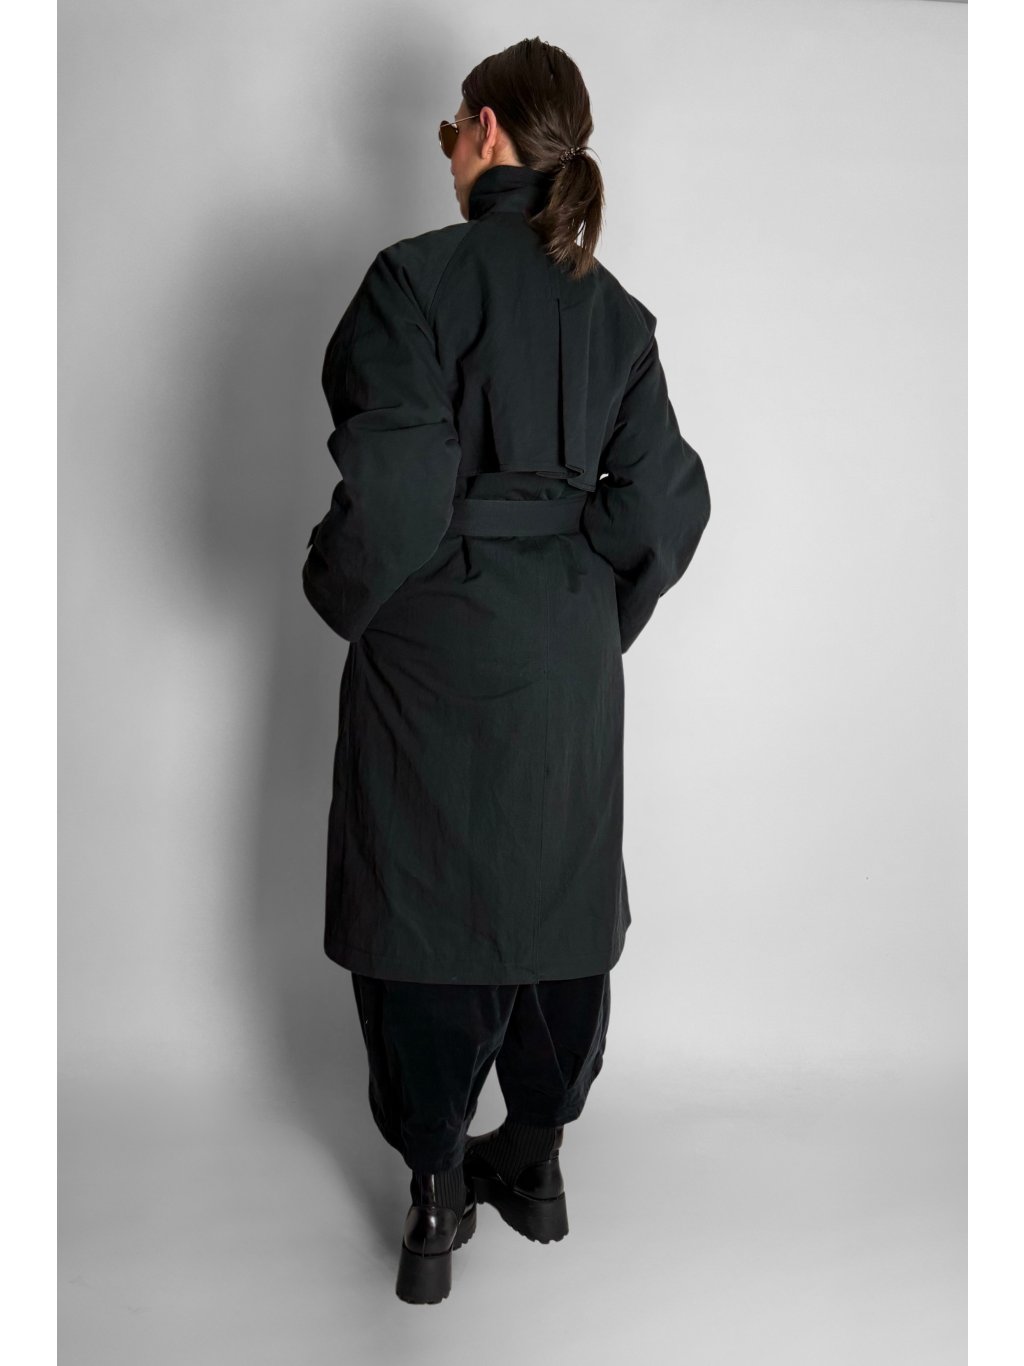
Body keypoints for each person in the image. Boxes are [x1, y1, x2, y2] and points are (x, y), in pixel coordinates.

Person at [302, 37, 711, 1304]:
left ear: (481, 130)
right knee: (555, 887)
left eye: (452, 127)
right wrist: (592, 617)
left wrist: (338, 591)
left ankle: (437, 1193)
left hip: (431, 643)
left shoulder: (411, 281)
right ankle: (535, 1159)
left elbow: (397, 491)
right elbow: (664, 505)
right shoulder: (614, 310)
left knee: (425, 897)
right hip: (567, 652)